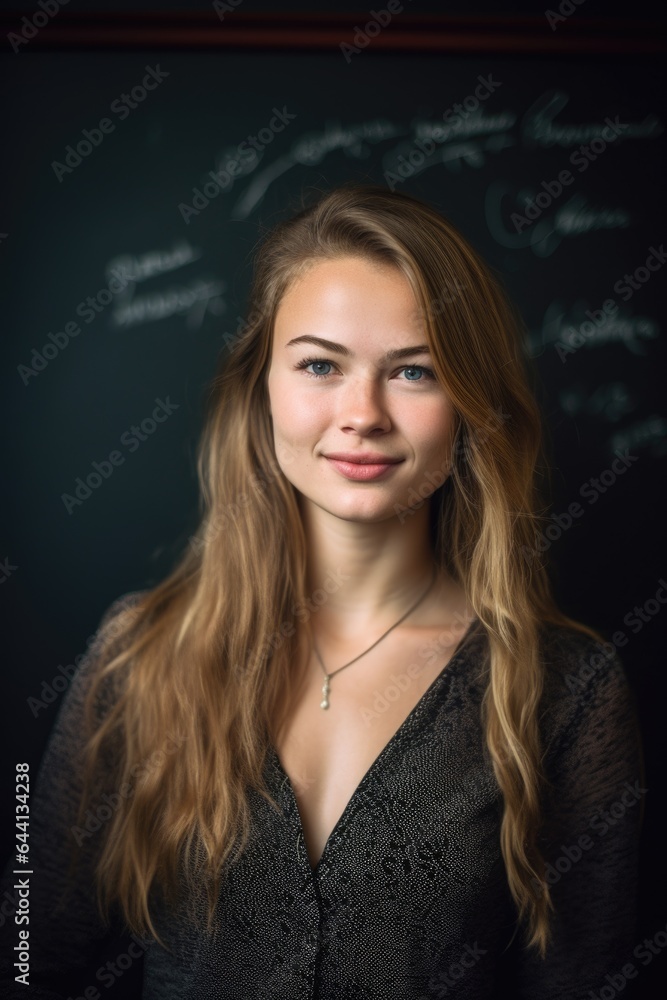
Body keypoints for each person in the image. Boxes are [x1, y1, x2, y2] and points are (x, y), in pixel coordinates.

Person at [0, 183, 644, 998]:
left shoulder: (566, 691)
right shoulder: (138, 656)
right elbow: (26, 954)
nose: (362, 414)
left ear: (469, 405)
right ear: (260, 387)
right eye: (319, 365)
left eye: (413, 371)